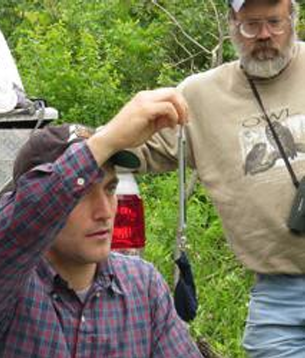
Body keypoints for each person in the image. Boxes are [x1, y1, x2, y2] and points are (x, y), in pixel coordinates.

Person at [0, 88, 203, 358]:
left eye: (109, 189)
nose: (105, 212)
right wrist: (108, 140)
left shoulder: (142, 286)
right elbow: (8, 237)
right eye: (81, 193)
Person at [134, 0, 305, 357]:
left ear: (293, 20)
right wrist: (84, 142)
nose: (264, 35)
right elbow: (139, 147)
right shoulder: (201, 95)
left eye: (274, 22)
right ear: (232, 25)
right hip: (280, 296)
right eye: (251, 24)